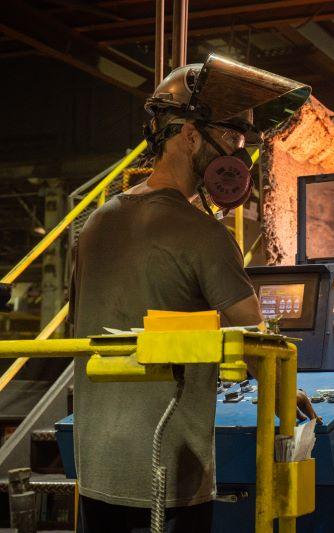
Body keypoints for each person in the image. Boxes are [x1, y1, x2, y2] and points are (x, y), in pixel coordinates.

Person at [69, 55, 313, 533]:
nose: (239, 155)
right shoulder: (205, 235)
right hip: (169, 471)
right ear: (188, 134)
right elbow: (258, 347)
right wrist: (292, 394)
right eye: (231, 137)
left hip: (96, 466)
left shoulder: (94, 225)